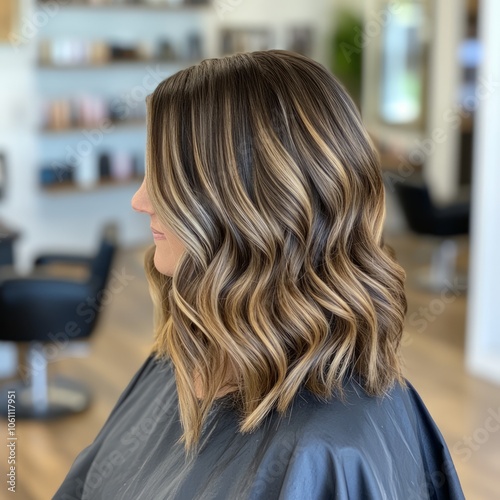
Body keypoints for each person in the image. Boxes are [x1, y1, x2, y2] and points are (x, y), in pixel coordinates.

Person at [54, 50, 464, 500]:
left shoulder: (327, 456)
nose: (139, 200)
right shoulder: (180, 354)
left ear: (247, 203)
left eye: (166, 178)